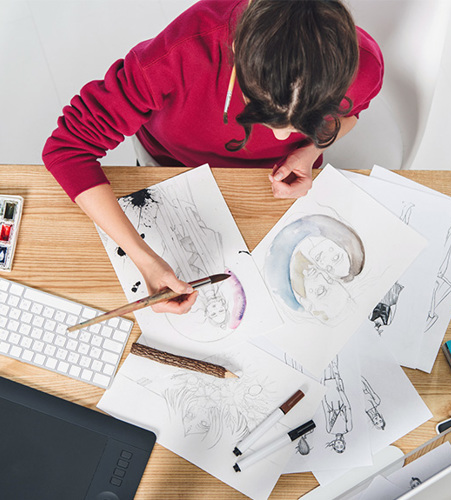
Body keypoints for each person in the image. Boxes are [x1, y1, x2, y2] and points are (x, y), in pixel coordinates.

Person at [42, 0, 384, 316]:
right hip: (169, 163)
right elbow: (68, 149)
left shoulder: (363, 61)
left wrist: (310, 150)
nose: (282, 137)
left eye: (303, 122)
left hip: (270, 189)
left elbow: (351, 114)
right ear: (238, 54)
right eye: (264, 115)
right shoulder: (181, 52)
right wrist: (144, 260)